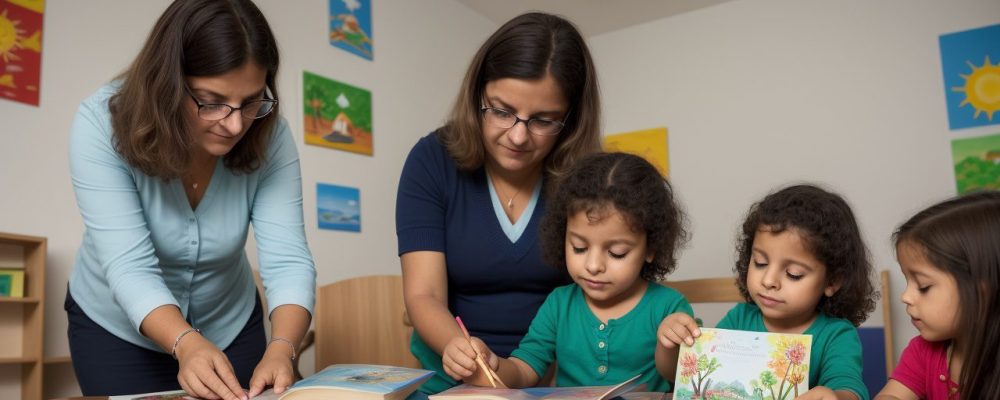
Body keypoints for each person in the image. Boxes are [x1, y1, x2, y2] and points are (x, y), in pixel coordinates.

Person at [66, 1, 315, 399]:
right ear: (167, 83)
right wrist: (185, 341)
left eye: (251, 101)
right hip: (116, 328)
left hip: (231, 321)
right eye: (211, 100)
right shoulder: (101, 123)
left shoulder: (271, 134)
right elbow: (129, 266)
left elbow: (288, 259)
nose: (235, 124)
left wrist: (282, 348)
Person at [395, 12, 602, 395]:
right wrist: (459, 349)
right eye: (502, 111)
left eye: (543, 120)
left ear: (570, 122)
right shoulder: (431, 161)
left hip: (548, 383)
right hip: (450, 378)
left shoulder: (587, 182)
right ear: (478, 96)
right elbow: (424, 295)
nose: (519, 136)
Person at [442, 152, 693, 392]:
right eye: (579, 247)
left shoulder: (669, 307)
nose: (594, 266)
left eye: (616, 253)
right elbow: (524, 371)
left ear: (651, 248)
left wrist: (669, 345)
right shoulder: (559, 304)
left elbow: (677, 377)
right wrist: (488, 365)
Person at [662, 184, 876, 400]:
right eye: (760, 262)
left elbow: (850, 388)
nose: (768, 281)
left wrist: (836, 397)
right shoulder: (740, 318)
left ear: (832, 281)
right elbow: (679, 376)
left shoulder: (836, 335)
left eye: (793, 274)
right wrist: (670, 345)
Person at [874, 191, 1000, 400]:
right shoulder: (922, 351)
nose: (905, 296)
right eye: (907, 281)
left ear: (981, 293)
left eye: (923, 286)